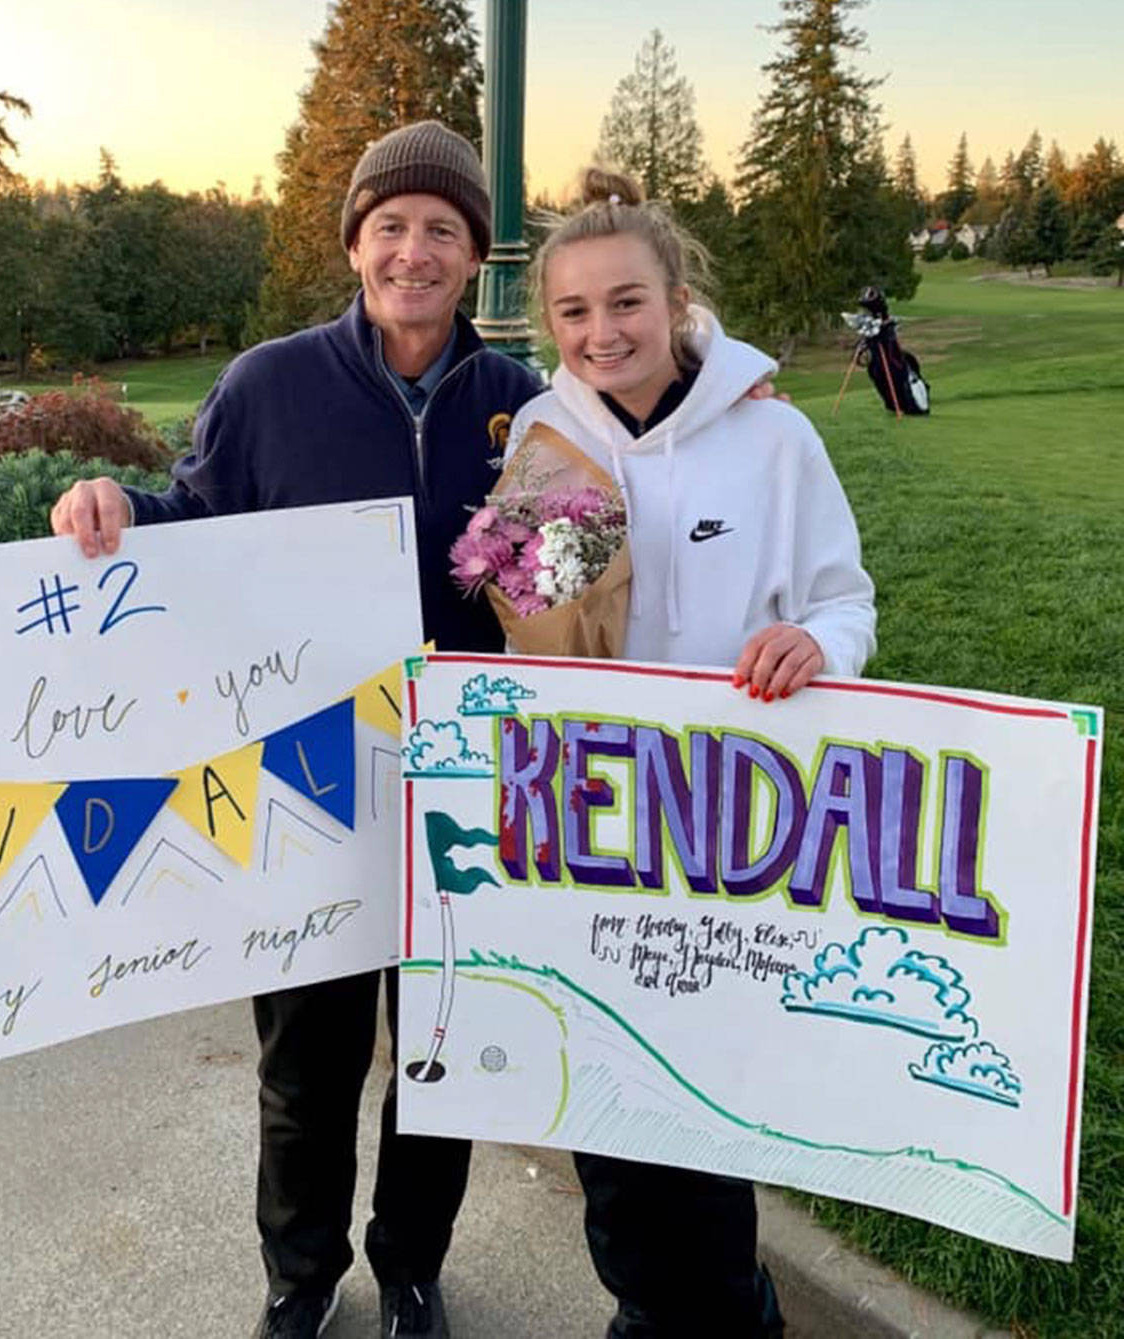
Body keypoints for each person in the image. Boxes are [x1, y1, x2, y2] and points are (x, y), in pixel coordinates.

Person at [51, 121, 541, 1339]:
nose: (413, 252)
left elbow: (565, 591)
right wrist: (117, 507)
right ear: (356, 244)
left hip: (463, 786)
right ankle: (300, 1278)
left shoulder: (520, 407)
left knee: (434, 1052)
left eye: (441, 230)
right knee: (304, 1068)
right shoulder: (271, 384)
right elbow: (195, 515)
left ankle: (410, 1271)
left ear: (474, 252)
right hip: (303, 782)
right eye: (390, 227)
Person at [507, 169, 877, 1339]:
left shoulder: (771, 435)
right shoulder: (537, 436)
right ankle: (644, 1311)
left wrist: (810, 643)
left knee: (707, 1110)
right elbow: (520, 628)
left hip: (731, 827)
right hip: (592, 826)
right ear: (547, 325)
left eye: (625, 303)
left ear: (676, 301)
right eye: (572, 313)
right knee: (606, 1105)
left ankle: (729, 1315)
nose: (600, 332)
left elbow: (846, 600)